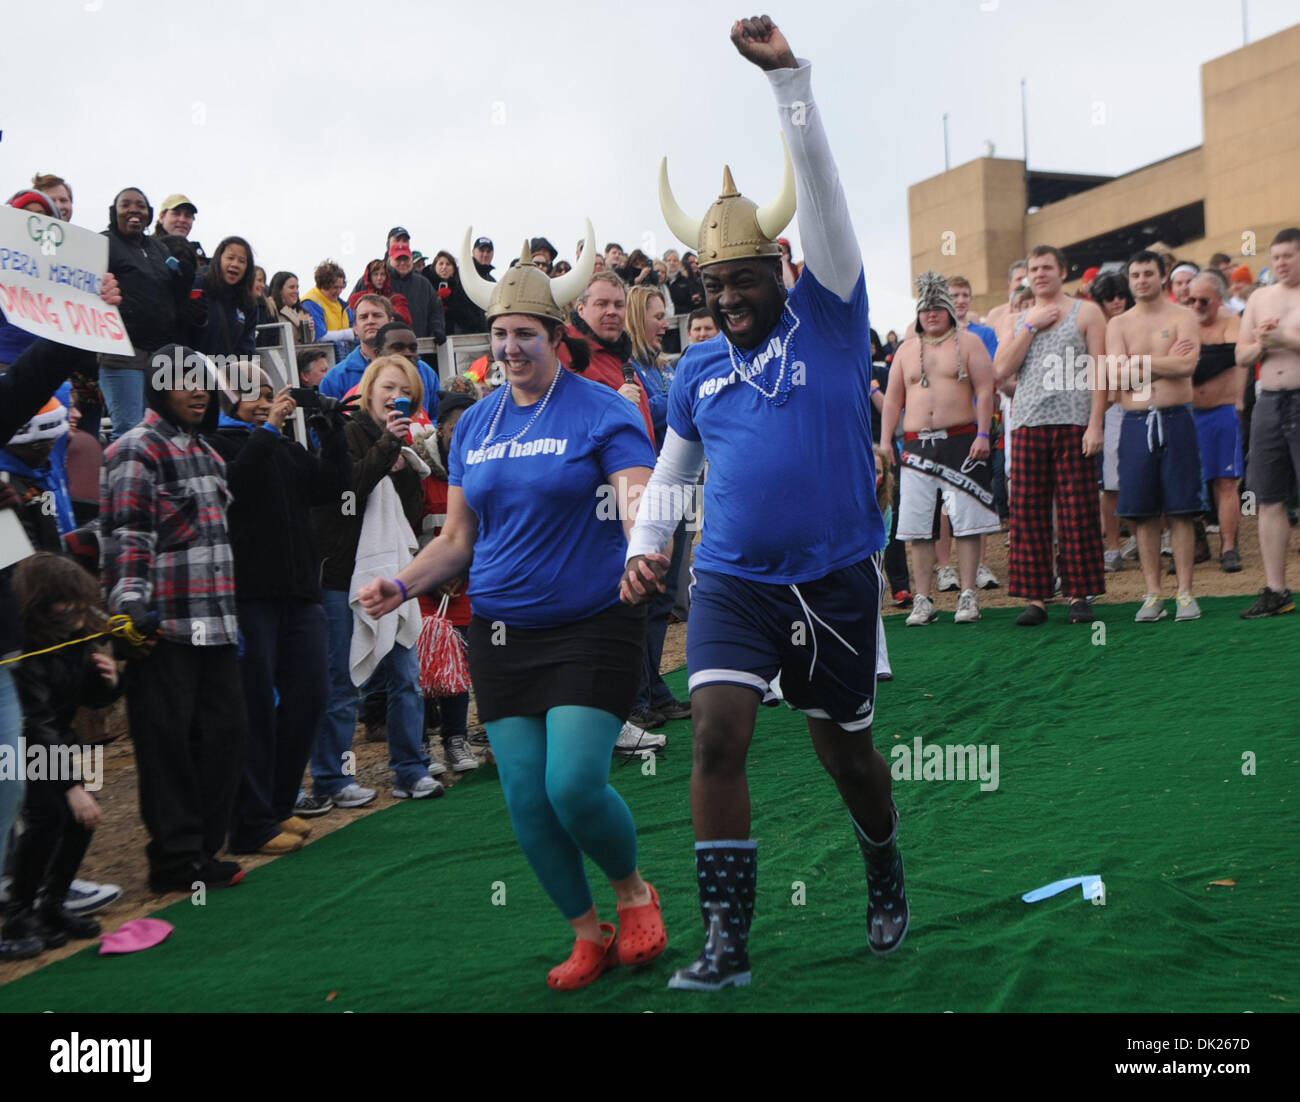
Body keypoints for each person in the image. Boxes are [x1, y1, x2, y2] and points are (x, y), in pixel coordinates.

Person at [630, 16, 903, 990]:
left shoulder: (831, 313)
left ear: (782, 271)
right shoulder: (697, 365)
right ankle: (726, 939)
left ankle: (880, 856)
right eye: (714, 286)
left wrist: (788, 83)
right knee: (713, 732)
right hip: (736, 583)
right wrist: (648, 540)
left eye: (744, 281)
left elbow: (824, 196)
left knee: (845, 757)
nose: (729, 299)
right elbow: (674, 463)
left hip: (832, 580)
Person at [361, 231, 668, 990]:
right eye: (498, 336)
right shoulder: (476, 426)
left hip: (594, 619)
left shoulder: (602, 410)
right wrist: (401, 584)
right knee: (526, 799)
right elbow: (459, 537)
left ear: (555, 338)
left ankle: (633, 890)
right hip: (499, 631)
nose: (509, 348)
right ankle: (583, 931)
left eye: (523, 335)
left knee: (571, 784)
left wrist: (640, 550)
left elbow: (637, 496)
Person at [100, 344, 248, 892]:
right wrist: (129, 604)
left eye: (203, 380)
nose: (197, 389)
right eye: (183, 380)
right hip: (162, 628)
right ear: (158, 385)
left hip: (218, 625)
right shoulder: (133, 451)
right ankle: (173, 860)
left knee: (226, 736)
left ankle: (202, 852)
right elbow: (127, 534)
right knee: (166, 746)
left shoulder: (210, 455)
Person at [206, 363, 352, 851]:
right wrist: (268, 429)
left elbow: (333, 488)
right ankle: (249, 822)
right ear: (225, 398)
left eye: (269, 392)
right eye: (251, 393)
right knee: (254, 711)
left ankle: (277, 805)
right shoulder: (215, 446)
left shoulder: (286, 449)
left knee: (309, 698)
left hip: (299, 596)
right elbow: (235, 486)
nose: (264, 401)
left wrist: (331, 430)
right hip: (247, 597)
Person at [307, 354, 441, 806]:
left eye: (404, 391)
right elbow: (347, 492)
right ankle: (331, 778)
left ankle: (410, 768)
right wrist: (386, 448)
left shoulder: (407, 444)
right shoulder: (344, 432)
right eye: (387, 388)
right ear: (369, 391)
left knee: (406, 674)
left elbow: (408, 515)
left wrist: (403, 462)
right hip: (342, 574)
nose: (394, 397)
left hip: (394, 574)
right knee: (342, 681)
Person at [2, 553, 122, 951]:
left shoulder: (75, 639)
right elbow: (35, 723)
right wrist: (71, 785)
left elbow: (84, 697)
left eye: (77, 597)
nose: (75, 607)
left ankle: (53, 902)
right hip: (30, 745)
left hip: (61, 741)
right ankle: (19, 915)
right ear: (41, 604)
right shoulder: (27, 653)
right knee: (49, 818)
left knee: (79, 820)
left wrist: (109, 682)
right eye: (63, 600)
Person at [993, 245, 1107, 625]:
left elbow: (1099, 371)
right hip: (1026, 423)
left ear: (1062, 271)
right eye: (1033, 269)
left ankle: (1079, 593)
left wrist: (1096, 424)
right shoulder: (1018, 318)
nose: (1039, 274)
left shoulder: (1087, 312)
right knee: (1027, 513)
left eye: (1046, 267)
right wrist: (1030, 325)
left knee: (1078, 512)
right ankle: (1036, 598)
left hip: (1074, 423)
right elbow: (1002, 368)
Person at [881, 273, 997, 626]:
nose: (931, 314)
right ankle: (923, 599)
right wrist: (886, 441)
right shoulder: (905, 349)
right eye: (925, 308)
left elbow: (986, 389)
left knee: (966, 522)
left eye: (937, 307)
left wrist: (983, 433)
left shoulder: (970, 343)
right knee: (917, 527)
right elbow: (893, 401)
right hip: (916, 445)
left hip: (962, 441)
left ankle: (967, 594)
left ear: (948, 309)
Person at [1106, 251, 1202, 622]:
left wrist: (1139, 363)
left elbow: (1188, 365)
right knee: (1141, 513)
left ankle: (1185, 592)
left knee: (1180, 509)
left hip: (1176, 417)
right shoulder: (1119, 324)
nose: (1141, 280)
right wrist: (1163, 363)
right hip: (1134, 421)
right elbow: (1114, 379)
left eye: (1148, 273)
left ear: (1162, 276)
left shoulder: (1183, 316)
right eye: (1135, 274)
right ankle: (1153, 593)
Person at [624, 284, 691, 729]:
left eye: (664, 314)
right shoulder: (630, 369)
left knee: (665, 593)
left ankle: (655, 689)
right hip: (644, 487)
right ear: (636, 317)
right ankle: (638, 695)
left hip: (681, 484)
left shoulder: (664, 368)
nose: (664, 322)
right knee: (644, 592)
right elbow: (659, 414)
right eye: (656, 314)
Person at [410, 389, 479, 773]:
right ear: (440, 428)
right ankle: (421, 744)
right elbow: (403, 531)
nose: (465, 435)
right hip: (421, 585)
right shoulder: (417, 471)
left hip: (463, 586)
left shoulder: (480, 466)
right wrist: (430, 573)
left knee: (457, 665)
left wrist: (461, 571)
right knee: (420, 668)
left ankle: (456, 738)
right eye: (457, 428)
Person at [101, 188, 204, 440]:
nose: (133, 210)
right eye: (125, 204)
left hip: (158, 356)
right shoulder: (102, 243)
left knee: (157, 432)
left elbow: (175, 290)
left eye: (140, 205)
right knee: (129, 430)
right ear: (114, 212)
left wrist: (187, 274)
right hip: (122, 352)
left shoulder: (159, 249)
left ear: (148, 216)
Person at [1235, 228, 1300, 617]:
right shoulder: (1259, 297)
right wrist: (1262, 343)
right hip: (1268, 403)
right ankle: (1277, 590)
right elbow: (1242, 356)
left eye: (1289, 255)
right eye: (1276, 257)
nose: (1281, 263)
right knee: (1269, 497)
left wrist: (1285, 339)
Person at [1189, 270, 1244, 572]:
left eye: (1203, 300)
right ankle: (1197, 542)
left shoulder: (1231, 321)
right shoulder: (1184, 321)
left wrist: (1190, 360)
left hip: (1221, 412)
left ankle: (1229, 546)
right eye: (1192, 299)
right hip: (1189, 413)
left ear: (1219, 299)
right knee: (1189, 481)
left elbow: (1226, 357)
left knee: (1226, 481)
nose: (1196, 305)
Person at [564, 272, 656, 443]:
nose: (612, 312)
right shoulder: (562, 349)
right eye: (602, 304)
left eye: (619, 305)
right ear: (581, 309)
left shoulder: (620, 353)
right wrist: (613, 405)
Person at [318, 295, 439, 418]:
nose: (370, 321)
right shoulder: (335, 378)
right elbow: (322, 428)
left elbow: (437, 416)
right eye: (363, 317)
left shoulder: (425, 372)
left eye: (377, 315)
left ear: (391, 321)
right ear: (355, 326)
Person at [1092, 271, 1136, 571]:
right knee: (1110, 484)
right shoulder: (1096, 330)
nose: (1117, 301)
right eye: (1110, 297)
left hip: (1138, 404)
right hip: (1110, 410)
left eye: (1121, 294)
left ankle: (1142, 538)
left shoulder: (1136, 323)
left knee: (1143, 478)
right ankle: (1112, 546)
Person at [197, 236, 258, 357]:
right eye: (230, 258)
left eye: (242, 261)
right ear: (218, 259)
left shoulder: (248, 303)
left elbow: (247, 346)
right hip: (191, 368)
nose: (235, 264)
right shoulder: (198, 286)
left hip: (227, 372)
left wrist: (232, 371)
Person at [383, 232, 445, 343]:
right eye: (398, 259)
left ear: (411, 260)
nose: (402, 263)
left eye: (405, 259)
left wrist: (437, 329)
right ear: (389, 260)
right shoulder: (379, 280)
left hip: (418, 347)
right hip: (388, 347)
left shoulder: (423, 283)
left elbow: (436, 309)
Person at [427, 251, 488, 335]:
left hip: (458, 336)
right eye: (441, 264)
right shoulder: (427, 286)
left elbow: (470, 316)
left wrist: (451, 302)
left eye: (448, 264)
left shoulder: (462, 287)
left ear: (454, 268)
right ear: (434, 266)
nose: (444, 267)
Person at [301, 260, 353, 344]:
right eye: (335, 287)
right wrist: (350, 333)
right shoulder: (310, 303)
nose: (339, 291)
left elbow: (356, 329)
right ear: (323, 285)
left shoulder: (343, 305)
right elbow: (320, 336)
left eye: (341, 287)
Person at [348, 258, 412, 326]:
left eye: (383, 274)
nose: (379, 278)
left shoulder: (397, 299)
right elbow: (349, 321)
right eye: (375, 274)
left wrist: (394, 317)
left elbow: (405, 319)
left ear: (387, 277)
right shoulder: (356, 298)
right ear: (369, 277)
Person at [269, 271, 317, 345]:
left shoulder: (301, 311)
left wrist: (309, 330)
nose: (296, 291)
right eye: (291, 287)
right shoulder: (270, 307)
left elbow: (309, 343)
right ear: (279, 290)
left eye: (297, 287)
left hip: (301, 354)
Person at [984, 259, 1028, 332]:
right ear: (1009, 284)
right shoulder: (995, 315)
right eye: (1019, 279)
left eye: (1026, 278)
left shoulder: (1040, 311)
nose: (1023, 282)